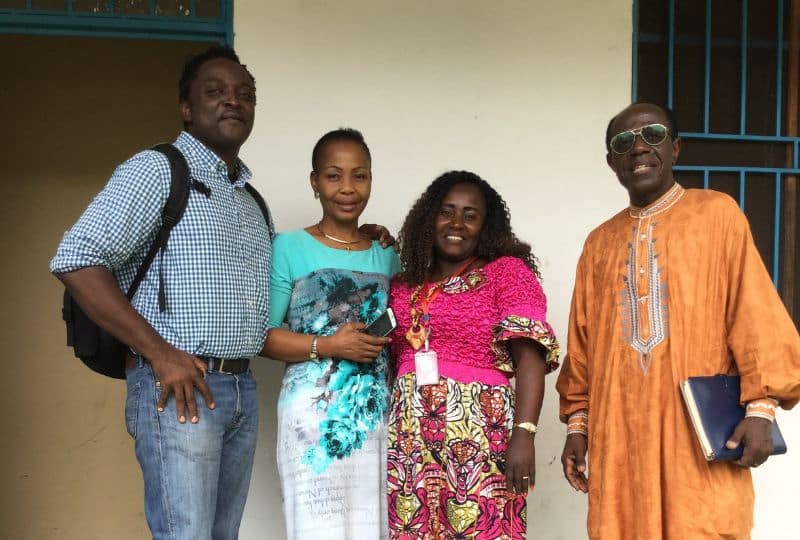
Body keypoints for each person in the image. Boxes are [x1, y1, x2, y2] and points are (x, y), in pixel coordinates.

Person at [51, 46, 269, 540]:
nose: (232, 102)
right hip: (177, 385)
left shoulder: (251, 201)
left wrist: (363, 239)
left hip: (241, 390)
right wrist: (160, 353)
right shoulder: (156, 170)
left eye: (245, 94)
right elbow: (76, 259)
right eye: (214, 92)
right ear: (187, 108)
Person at [556, 102, 800, 539]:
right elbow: (582, 345)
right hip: (620, 434)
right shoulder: (599, 243)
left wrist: (762, 409)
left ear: (676, 148)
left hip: (696, 433)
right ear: (611, 161)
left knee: (704, 524)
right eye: (623, 142)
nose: (639, 148)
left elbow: (754, 312)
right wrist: (578, 425)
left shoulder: (717, 214)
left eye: (653, 134)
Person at [386, 171, 560, 539]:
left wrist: (524, 435)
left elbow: (530, 356)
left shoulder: (506, 274)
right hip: (410, 447)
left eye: (470, 215)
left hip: (482, 441)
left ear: (485, 226)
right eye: (447, 211)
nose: (457, 224)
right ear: (429, 216)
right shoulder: (403, 286)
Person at [261, 128, 400, 539]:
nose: (347, 188)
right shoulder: (287, 247)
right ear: (314, 183)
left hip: (377, 418)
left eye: (360, 175)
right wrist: (330, 345)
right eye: (333, 176)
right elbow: (263, 337)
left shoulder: (387, 253)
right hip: (312, 421)